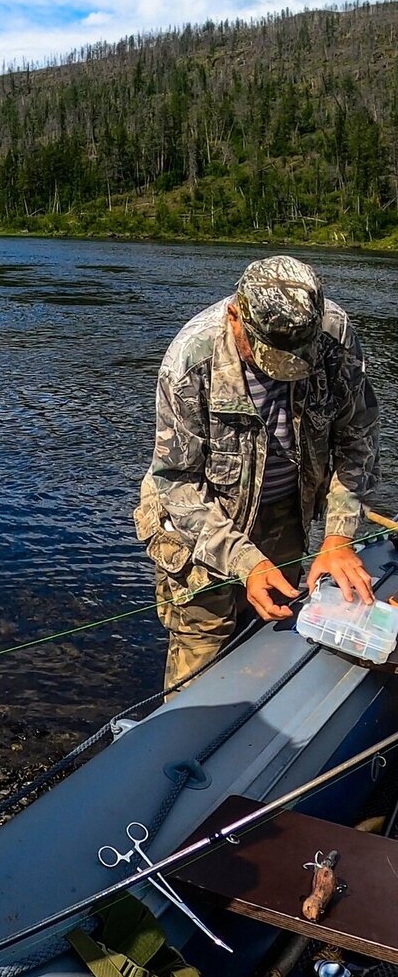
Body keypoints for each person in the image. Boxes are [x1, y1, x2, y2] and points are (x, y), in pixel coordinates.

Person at [135, 255, 379, 691]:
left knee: (272, 641)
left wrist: (339, 535)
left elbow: (357, 440)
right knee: (201, 654)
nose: (286, 369)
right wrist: (246, 562)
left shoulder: (334, 335)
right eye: (271, 356)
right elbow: (177, 481)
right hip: (198, 528)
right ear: (235, 316)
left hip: (284, 515)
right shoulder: (190, 360)